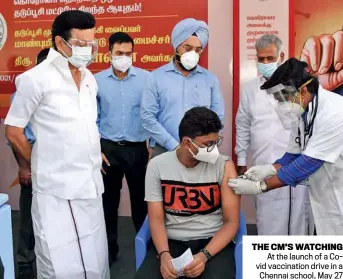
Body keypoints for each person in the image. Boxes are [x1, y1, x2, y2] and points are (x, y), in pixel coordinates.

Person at [4, 10, 110, 278]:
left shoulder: (89, 79)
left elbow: (86, 128)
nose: (88, 50)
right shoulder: (35, 79)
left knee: (95, 262)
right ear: (61, 43)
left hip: (90, 186)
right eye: (81, 44)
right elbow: (13, 131)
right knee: (59, 262)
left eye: (92, 44)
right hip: (56, 191)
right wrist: (40, 163)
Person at [229, 57, 343, 235]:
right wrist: (269, 169)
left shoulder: (334, 113)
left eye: (283, 97)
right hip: (325, 192)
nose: (282, 104)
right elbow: (292, 155)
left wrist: (261, 186)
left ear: (303, 90)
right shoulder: (303, 113)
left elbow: (307, 163)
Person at [135, 107, 240, 279]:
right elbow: (156, 218)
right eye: (208, 144)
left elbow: (231, 222)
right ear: (186, 143)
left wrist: (204, 255)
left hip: (211, 241)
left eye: (216, 142)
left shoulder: (224, 166)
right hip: (171, 241)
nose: (214, 149)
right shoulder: (157, 166)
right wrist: (164, 254)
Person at [235, 35, 311, 235]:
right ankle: (268, 263)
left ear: (281, 56)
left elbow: (302, 122)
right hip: (263, 162)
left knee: (298, 221)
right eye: (261, 59)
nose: (265, 63)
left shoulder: (297, 85)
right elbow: (242, 124)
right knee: (268, 219)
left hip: (297, 162)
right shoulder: (250, 89)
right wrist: (241, 159)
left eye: (270, 58)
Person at [95, 32, 149, 264]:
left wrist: (153, 146)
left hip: (138, 149)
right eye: (119, 53)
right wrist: (94, 148)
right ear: (109, 54)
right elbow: (91, 118)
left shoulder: (147, 79)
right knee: (108, 204)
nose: (124, 58)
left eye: (128, 53)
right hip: (107, 150)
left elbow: (152, 115)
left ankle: (146, 248)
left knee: (142, 202)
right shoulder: (96, 81)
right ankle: (109, 249)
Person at [141, 18, 224, 158]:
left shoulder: (210, 80)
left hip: (202, 151)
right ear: (176, 46)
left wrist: (204, 144)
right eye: (188, 48)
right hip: (164, 150)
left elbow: (218, 116)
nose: (193, 53)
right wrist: (174, 146)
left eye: (198, 50)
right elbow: (147, 117)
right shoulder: (156, 77)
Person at [9, 48, 49, 279]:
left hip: (58, 162)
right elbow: (15, 136)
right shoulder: (24, 91)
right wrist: (25, 166)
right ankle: (25, 261)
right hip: (31, 157)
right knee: (28, 217)